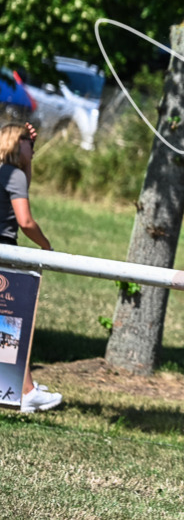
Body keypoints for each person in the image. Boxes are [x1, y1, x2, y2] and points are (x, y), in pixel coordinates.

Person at [0, 123, 61, 413]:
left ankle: (16, 390)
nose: (33, 150)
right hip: (4, 251)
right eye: (29, 144)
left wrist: (25, 150)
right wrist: (47, 247)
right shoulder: (14, 175)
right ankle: (25, 391)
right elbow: (25, 222)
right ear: (17, 143)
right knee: (10, 323)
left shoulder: (4, 171)